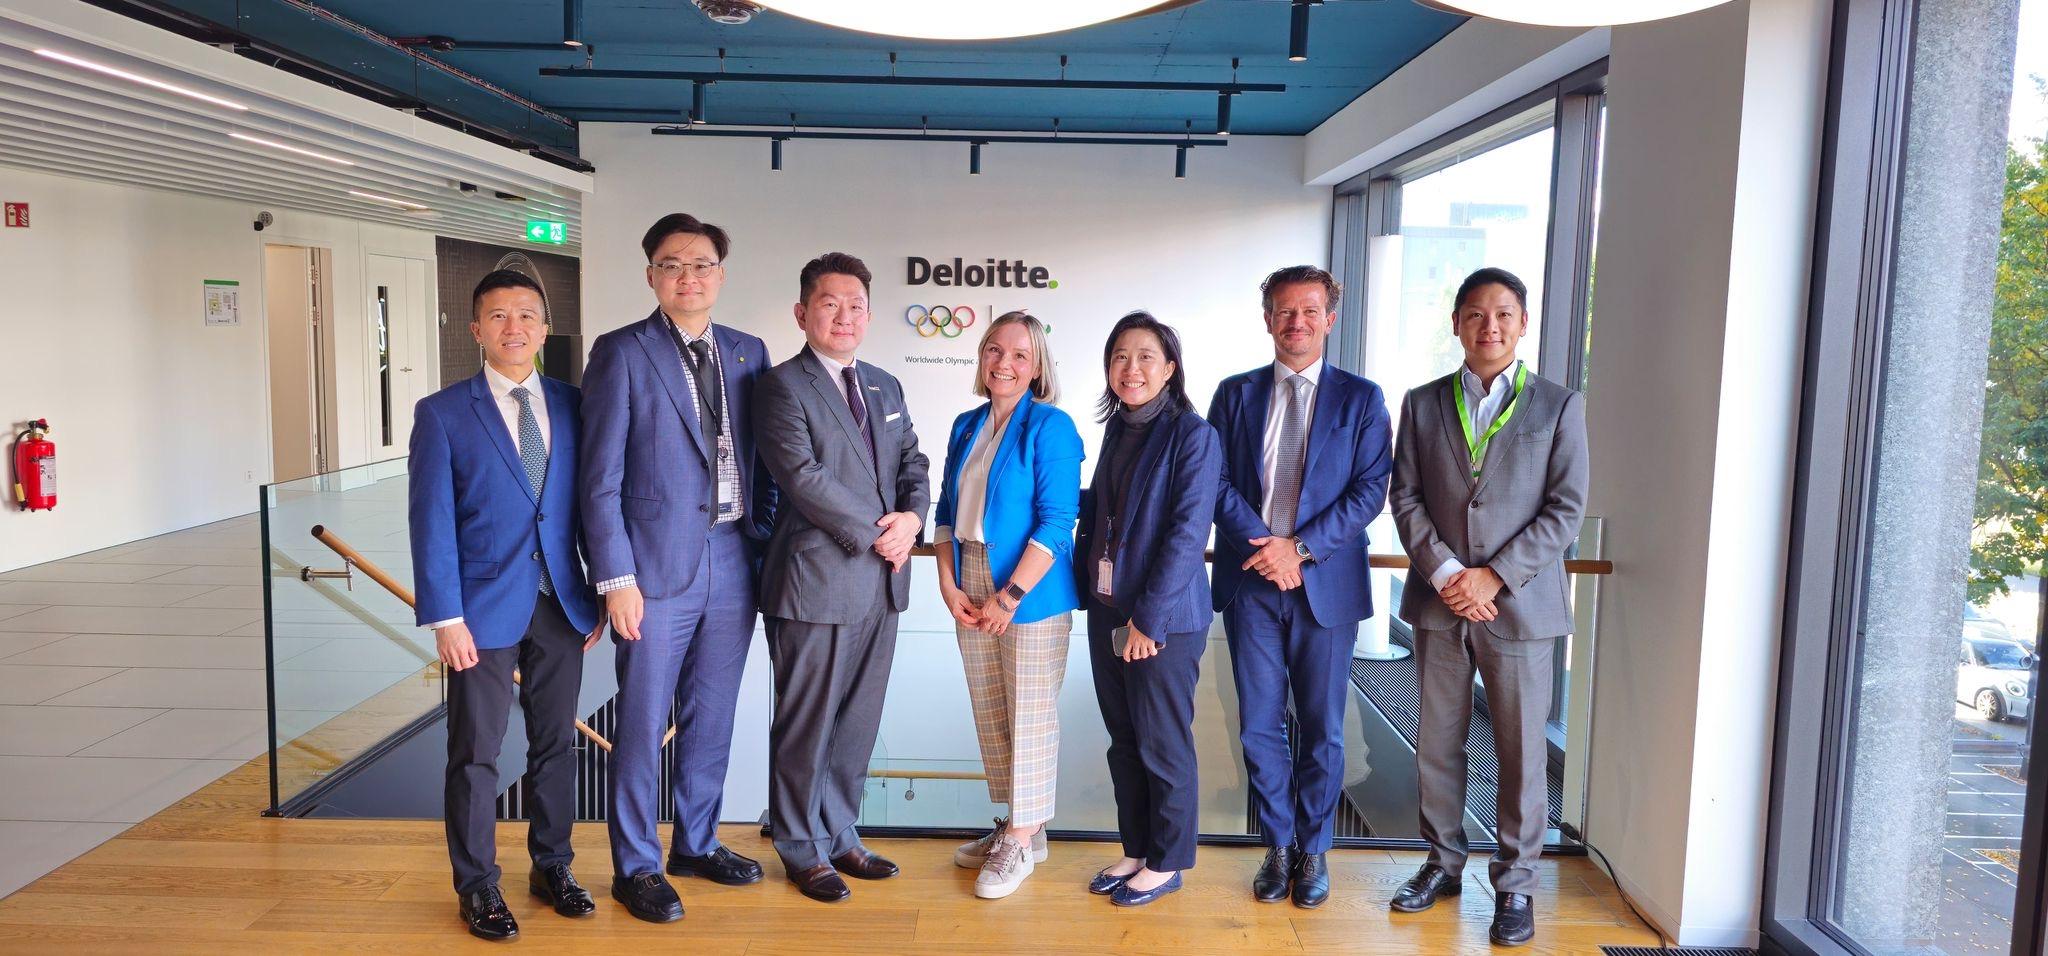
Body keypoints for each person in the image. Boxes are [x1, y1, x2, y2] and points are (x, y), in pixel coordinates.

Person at [580, 214, 778, 924]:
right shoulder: (621, 352)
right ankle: (636, 865)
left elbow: (766, 459)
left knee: (712, 712)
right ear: (651, 276)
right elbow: (598, 479)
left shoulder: (749, 351)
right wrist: (615, 578)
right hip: (651, 568)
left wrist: (765, 536)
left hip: (733, 556)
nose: (687, 277)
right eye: (671, 265)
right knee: (641, 719)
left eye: (700, 265)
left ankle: (696, 843)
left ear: (720, 275)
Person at [1387, 266, 1589, 947]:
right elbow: (1405, 498)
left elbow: (1565, 509)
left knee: (1522, 752)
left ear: (1523, 324)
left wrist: (1494, 577)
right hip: (1441, 601)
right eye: (1475, 314)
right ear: (1457, 324)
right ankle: (1442, 864)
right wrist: (1450, 573)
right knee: (1437, 743)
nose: (1489, 326)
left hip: (1520, 609)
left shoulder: (1558, 405)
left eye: (1503, 314)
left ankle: (1516, 885)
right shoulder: (1422, 403)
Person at [408, 269, 604, 941]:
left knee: (556, 745)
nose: (513, 327)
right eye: (498, 316)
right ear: (476, 330)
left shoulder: (577, 405)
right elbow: (431, 522)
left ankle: (553, 866)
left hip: (562, 604)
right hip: (479, 612)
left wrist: (597, 590)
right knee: (475, 753)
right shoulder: (441, 414)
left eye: (526, 315)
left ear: (545, 328)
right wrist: (445, 617)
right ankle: (477, 885)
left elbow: (592, 506)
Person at [1207, 265, 1392, 908]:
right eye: (1285, 310)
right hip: (1252, 582)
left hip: (1325, 584)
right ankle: (1278, 844)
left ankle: (1314, 849)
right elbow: (1213, 481)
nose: (1297, 322)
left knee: (1322, 728)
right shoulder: (1234, 394)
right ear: (1267, 319)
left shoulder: (1361, 399)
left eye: (1310, 311)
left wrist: (1301, 548)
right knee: (1258, 725)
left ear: (1329, 320)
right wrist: (1267, 548)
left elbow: (1370, 490)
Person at [753, 252, 931, 903]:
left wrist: (912, 518)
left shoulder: (885, 384)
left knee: (856, 721)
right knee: (807, 724)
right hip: (816, 583)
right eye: (830, 304)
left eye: (856, 305)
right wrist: (881, 533)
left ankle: (838, 831)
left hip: (883, 583)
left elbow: (913, 461)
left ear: (869, 315)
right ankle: (800, 845)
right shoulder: (781, 386)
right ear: (803, 312)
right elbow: (803, 478)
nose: (844, 316)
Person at [931, 312, 1085, 900]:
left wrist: (1010, 595)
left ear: (1037, 366)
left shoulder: (1051, 426)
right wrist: (948, 584)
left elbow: (1058, 521)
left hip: (1030, 587)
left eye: (1020, 354)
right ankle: (1024, 827)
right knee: (993, 708)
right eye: (995, 350)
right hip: (970, 576)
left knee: (1031, 711)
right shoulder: (966, 424)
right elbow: (946, 512)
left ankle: (1020, 839)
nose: (1004, 363)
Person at [1074, 311, 1221, 908]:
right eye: (1119, 356)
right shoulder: (1118, 428)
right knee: (1124, 739)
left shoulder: (1193, 435)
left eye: (1144, 357)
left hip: (1162, 620)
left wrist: (1148, 620)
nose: (1130, 368)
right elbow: (1105, 510)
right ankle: (1136, 849)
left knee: (1162, 742)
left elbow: (1187, 534)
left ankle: (1168, 861)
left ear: (1170, 368)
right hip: (1107, 609)